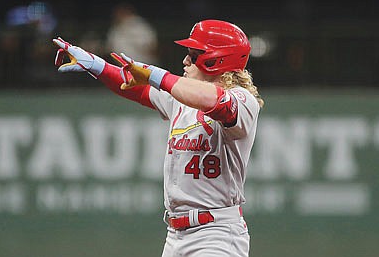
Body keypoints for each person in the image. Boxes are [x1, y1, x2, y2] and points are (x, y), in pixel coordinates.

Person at [53, 19, 264, 257]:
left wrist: (158, 75)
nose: (185, 61)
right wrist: (96, 66)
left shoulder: (243, 99)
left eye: (194, 55)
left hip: (216, 236)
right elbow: (138, 88)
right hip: (175, 236)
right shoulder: (183, 96)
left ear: (217, 59)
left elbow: (215, 101)